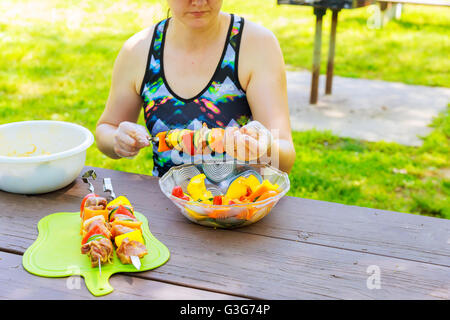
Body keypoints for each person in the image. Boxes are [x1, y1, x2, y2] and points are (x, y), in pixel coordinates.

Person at [96, 0, 296, 177]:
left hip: (241, 207)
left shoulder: (257, 45)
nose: (199, 1)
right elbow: (106, 129)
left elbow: (285, 158)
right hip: (167, 204)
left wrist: (265, 147)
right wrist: (117, 139)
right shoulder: (138, 51)